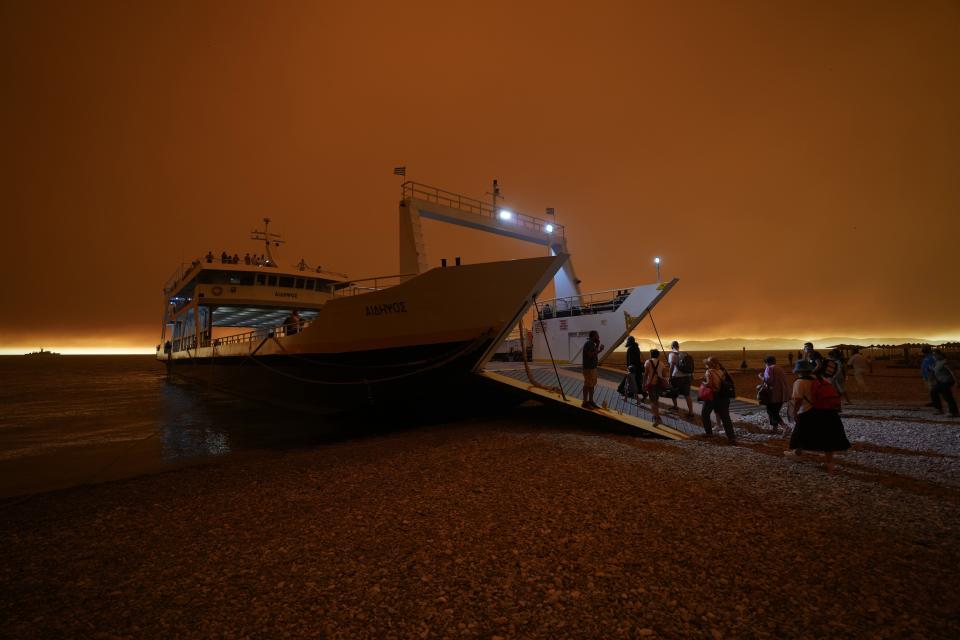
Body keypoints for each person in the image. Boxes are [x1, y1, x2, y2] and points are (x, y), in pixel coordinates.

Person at [786, 360, 851, 472]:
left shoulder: (799, 382)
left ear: (798, 371)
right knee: (827, 438)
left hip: (809, 411)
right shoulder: (820, 379)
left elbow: (798, 400)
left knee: (801, 434)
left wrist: (794, 413)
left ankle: (797, 454)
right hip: (828, 411)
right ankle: (829, 463)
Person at [700, 357, 736, 442]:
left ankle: (709, 433)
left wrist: (703, 383)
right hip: (723, 396)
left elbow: (709, 384)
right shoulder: (723, 371)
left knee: (705, 414)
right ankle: (731, 437)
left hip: (713, 396)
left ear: (709, 365)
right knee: (725, 417)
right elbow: (731, 381)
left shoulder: (709, 372)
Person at [760, 355, 791, 430]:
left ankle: (784, 426)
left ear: (766, 362)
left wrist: (761, 376)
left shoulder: (769, 368)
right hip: (783, 393)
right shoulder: (780, 368)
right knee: (775, 410)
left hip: (774, 394)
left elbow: (768, 380)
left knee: (771, 411)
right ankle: (774, 428)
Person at [667, 340, 694, 416]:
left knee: (673, 393)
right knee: (687, 395)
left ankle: (675, 406)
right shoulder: (684, 354)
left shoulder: (672, 354)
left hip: (677, 377)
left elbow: (671, 367)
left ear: (672, 347)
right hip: (686, 377)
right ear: (678, 346)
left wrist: (670, 377)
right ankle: (691, 412)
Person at [644, 349, 670, 426]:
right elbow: (664, 375)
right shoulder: (661, 364)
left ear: (651, 355)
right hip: (659, 385)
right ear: (658, 355)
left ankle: (656, 418)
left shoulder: (648, 362)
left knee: (652, 401)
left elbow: (645, 374)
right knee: (656, 400)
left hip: (651, 384)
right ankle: (657, 415)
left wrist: (643, 384)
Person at [930, 351, 958, 417]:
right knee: (935, 392)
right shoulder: (937, 362)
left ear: (940, 355)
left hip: (947, 381)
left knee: (946, 395)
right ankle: (940, 409)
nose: (934, 356)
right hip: (941, 382)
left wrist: (957, 381)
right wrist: (932, 369)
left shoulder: (945, 362)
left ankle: (953, 412)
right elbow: (936, 370)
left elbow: (952, 372)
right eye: (934, 355)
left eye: (935, 355)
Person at [581, 330, 604, 409]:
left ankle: (590, 401)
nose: (598, 337)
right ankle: (584, 402)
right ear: (593, 336)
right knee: (587, 384)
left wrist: (597, 346)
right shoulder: (588, 344)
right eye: (597, 336)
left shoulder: (592, 344)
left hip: (592, 368)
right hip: (588, 368)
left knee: (592, 385)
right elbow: (590, 355)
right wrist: (600, 350)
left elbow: (594, 353)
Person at [623, 336, 646, 404]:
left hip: (632, 368)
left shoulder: (630, 348)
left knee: (631, 383)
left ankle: (631, 397)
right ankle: (627, 397)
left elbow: (629, 359)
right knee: (637, 382)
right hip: (637, 368)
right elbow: (637, 359)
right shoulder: (637, 348)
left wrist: (628, 367)